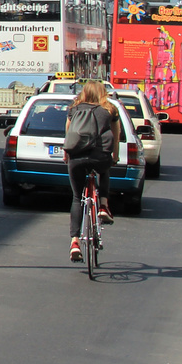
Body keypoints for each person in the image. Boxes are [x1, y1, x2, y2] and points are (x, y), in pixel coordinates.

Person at [63, 80, 119, 262]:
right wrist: (115, 155)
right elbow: (116, 134)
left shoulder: (75, 109)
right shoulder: (110, 110)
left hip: (76, 156)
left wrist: (67, 154)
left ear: (84, 93)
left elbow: (68, 132)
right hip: (99, 155)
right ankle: (103, 205)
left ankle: (74, 241)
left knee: (77, 197)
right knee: (105, 169)